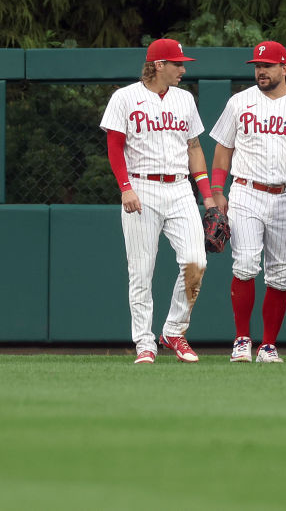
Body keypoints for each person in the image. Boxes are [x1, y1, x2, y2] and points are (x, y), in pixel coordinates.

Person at [209, 41, 286, 363]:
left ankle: (268, 345)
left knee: (280, 273)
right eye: (257, 66)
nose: (260, 71)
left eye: (267, 65)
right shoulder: (239, 102)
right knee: (246, 265)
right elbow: (223, 150)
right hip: (246, 192)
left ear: (284, 68)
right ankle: (241, 339)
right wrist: (218, 190)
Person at [100, 39, 213, 364]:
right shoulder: (125, 98)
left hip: (179, 189)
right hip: (141, 187)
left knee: (197, 262)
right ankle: (145, 342)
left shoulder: (184, 99)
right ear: (159, 65)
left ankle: (174, 331)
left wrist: (206, 196)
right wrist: (125, 187)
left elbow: (193, 147)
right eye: (178, 64)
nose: (184, 69)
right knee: (141, 272)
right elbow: (114, 145)